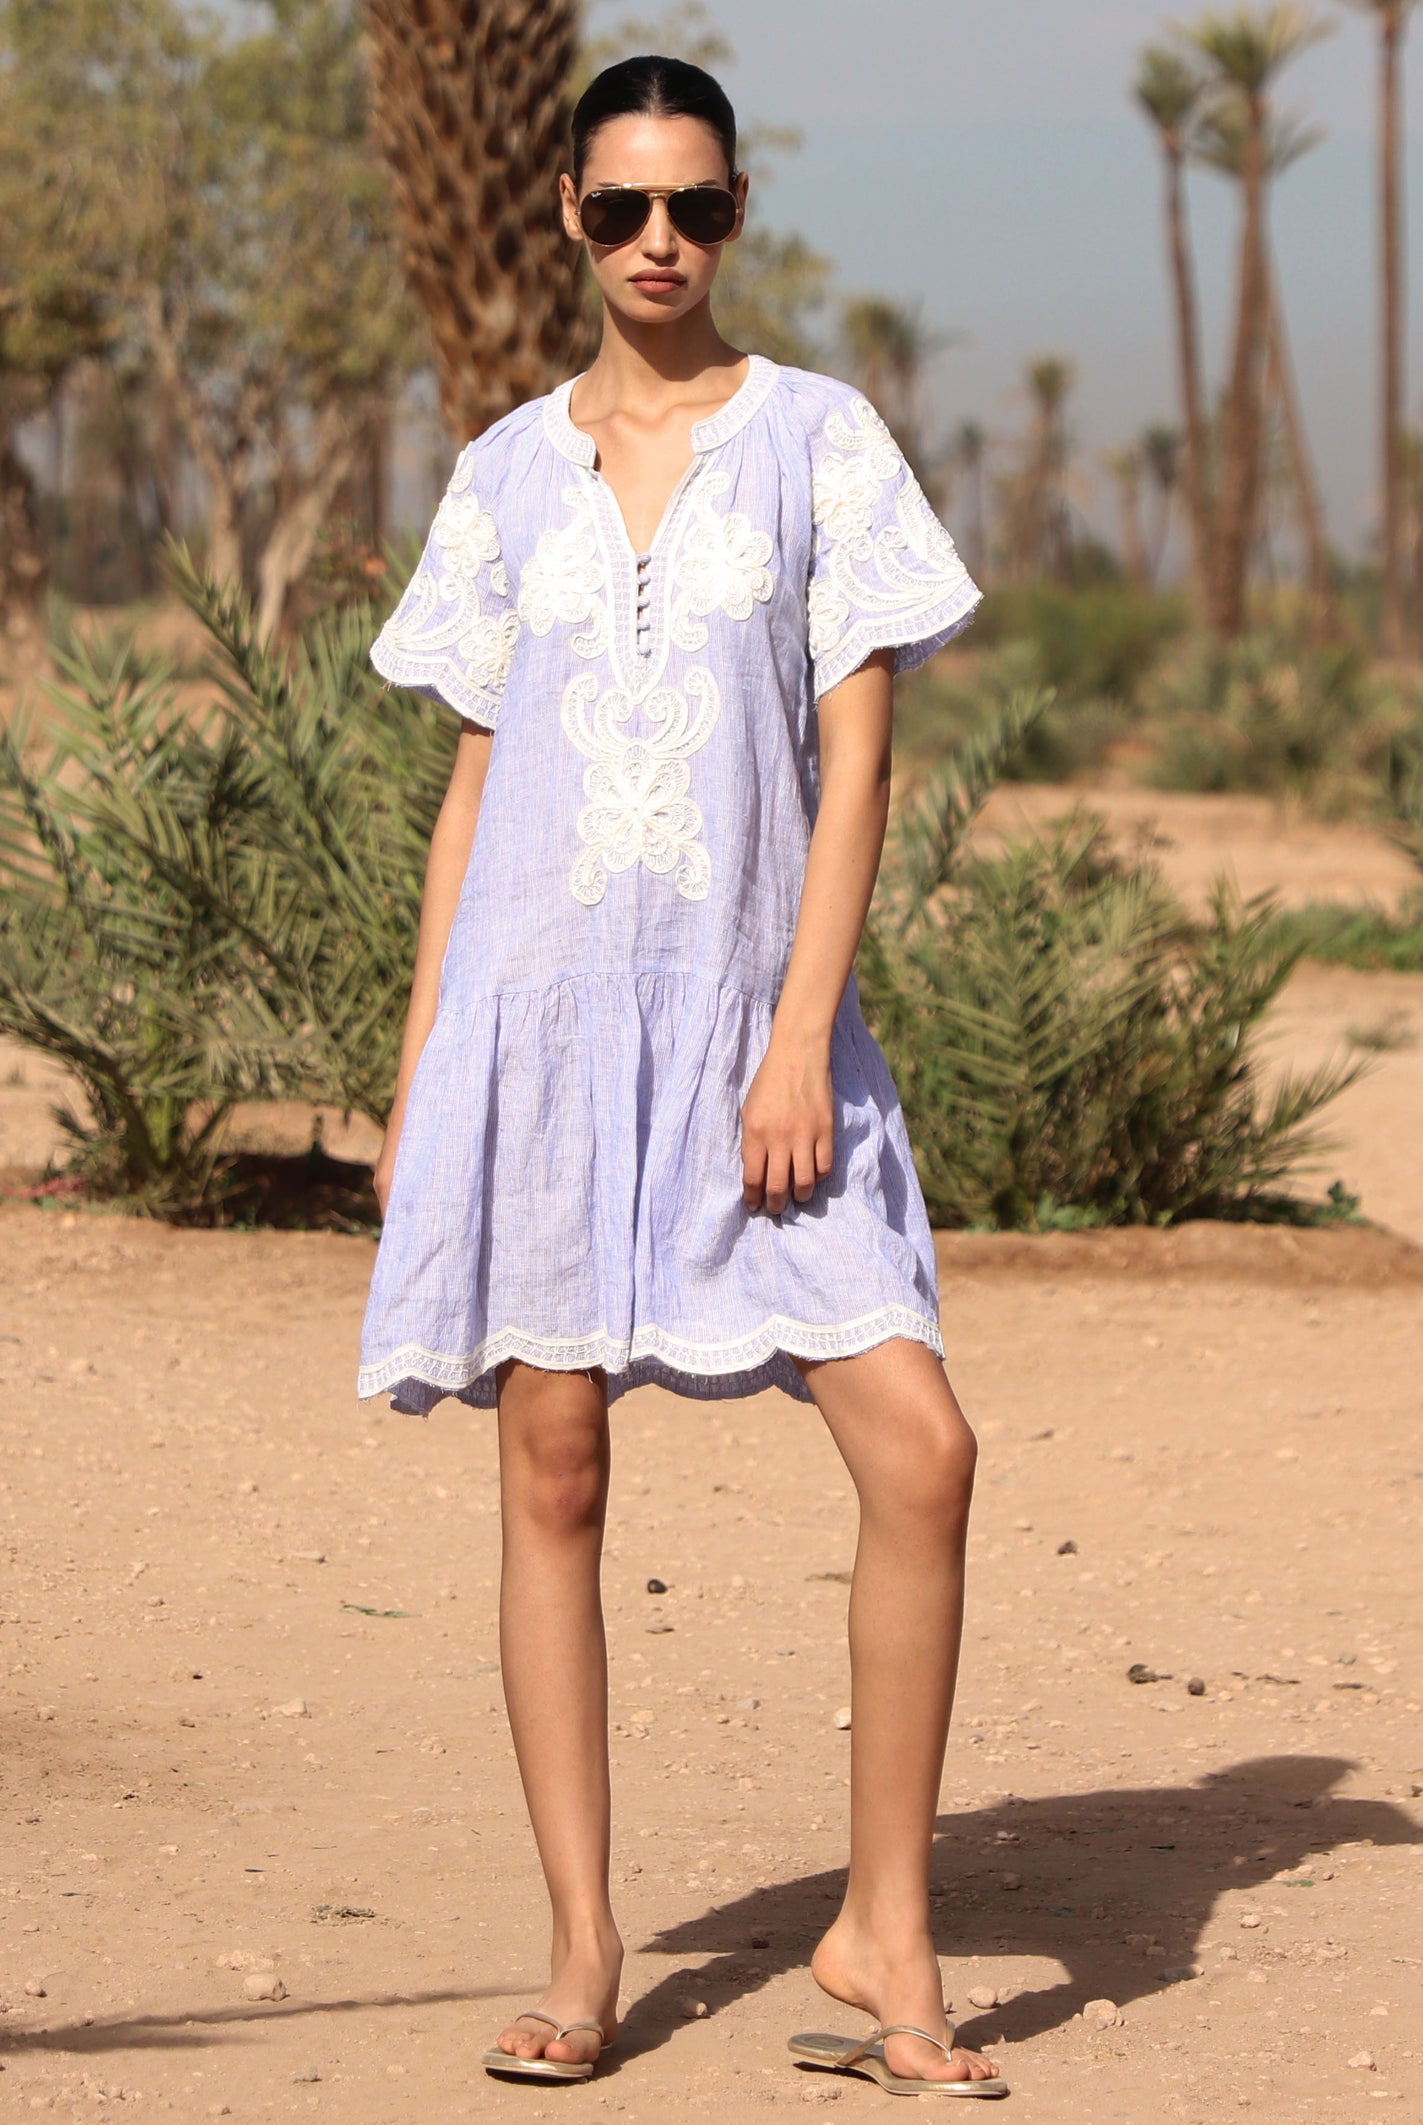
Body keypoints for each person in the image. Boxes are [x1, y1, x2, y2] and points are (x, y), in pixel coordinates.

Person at [360, 52, 1004, 2099]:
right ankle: (581, 1939)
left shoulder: (818, 441)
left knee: (920, 1448)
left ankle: (879, 1926)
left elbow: (856, 762)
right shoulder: (501, 475)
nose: (661, 242)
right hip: (534, 1032)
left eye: (696, 208)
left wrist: (801, 1025)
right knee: (549, 1465)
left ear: (734, 220)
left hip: (755, 1035)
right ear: (567, 213)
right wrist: (419, 1065)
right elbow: (478, 777)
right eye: (626, 206)